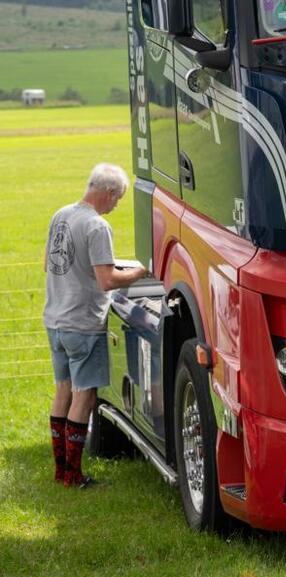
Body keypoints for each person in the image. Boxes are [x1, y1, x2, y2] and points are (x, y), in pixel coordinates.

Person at [43, 163, 148, 488]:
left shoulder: (60, 215)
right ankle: (74, 475)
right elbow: (107, 280)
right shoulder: (97, 226)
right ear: (108, 192)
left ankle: (60, 470)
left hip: (55, 318)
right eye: (116, 199)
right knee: (84, 395)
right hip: (83, 322)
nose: (115, 206)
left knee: (62, 389)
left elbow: (52, 262)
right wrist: (139, 272)